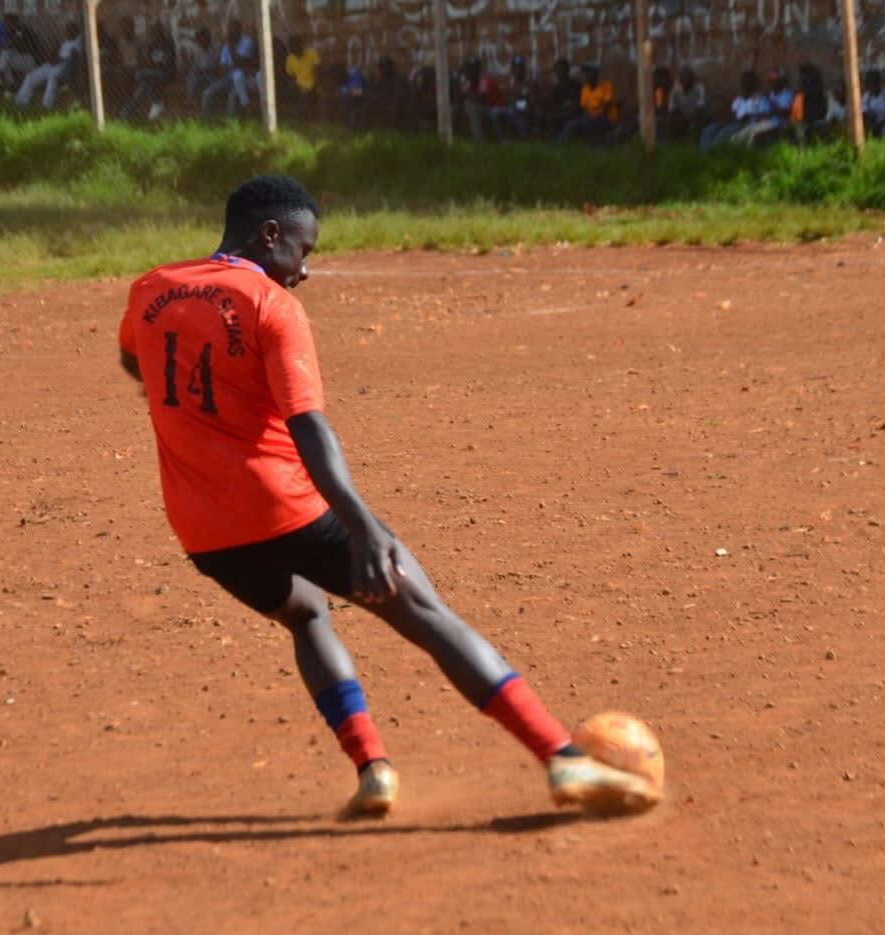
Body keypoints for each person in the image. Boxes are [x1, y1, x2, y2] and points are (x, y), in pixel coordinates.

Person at [116, 174, 661, 819]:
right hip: (284, 507)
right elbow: (310, 429)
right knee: (427, 613)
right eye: (303, 249)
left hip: (206, 533)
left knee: (306, 614)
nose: (307, 269)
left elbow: (135, 362)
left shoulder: (151, 289)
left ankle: (373, 769)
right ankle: (560, 757)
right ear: (270, 235)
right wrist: (364, 527)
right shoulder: (270, 305)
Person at [13, 18, 81, 109]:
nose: (67, 32)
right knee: (30, 77)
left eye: (70, 29)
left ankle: (47, 105)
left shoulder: (77, 43)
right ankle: (21, 102)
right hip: (52, 64)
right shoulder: (65, 41)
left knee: (52, 77)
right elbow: (54, 54)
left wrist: (57, 60)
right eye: (67, 30)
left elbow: (72, 59)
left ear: (75, 30)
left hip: (64, 67)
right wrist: (54, 52)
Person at [119, 15, 176, 122]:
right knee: (143, 87)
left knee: (139, 75)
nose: (155, 33)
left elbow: (166, 62)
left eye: (157, 30)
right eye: (153, 31)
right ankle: (127, 113)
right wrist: (155, 62)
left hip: (166, 74)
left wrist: (154, 63)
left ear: (161, 31)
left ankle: (154, 104)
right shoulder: (152, 45)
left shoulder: (168, 43)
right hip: (153, 73)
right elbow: (148, 61)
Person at [699, 69, 770, 149]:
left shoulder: (760, 98)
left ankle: (714, 154)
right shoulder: (739, 99)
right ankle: (704, 154)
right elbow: (732, 113)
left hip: (746, 123)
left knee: (723, 133)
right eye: (744, 81)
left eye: (749, 81)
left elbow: (764, 115)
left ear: (754, 84)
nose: (745, 84)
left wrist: (749, 116)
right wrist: (724, 121)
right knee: (707, 130)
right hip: (733, 121)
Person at [558, 64, 616, 144]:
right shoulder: (585, 89)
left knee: (588, 123)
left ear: (595, 74)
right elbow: (584, 108)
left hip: (606, 119)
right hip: (589, 118)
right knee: (571, 124)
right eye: (585, 74)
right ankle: (559, 145)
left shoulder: (606, 86)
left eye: (589, 73)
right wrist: (587, 116)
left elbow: (606, 108)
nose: (586, 76)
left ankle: (597, 147)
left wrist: (592, 116)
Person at [0, 12, 40, 92]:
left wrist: (6, 47)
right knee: (5, 58)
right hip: (21, 59)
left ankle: (0, 73)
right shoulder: (11, 32)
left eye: (8, 23)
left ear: (14, 22)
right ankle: (10, 84)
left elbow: (12, 44)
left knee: (5, 55)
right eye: (5, 23)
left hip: (30, 61)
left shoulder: (21, 30)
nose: (6, 25)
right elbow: (6, 47)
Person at [666, 66, 707, 140]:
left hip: (695, 113)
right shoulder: (676, 90)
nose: (685, 84)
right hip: (681, 115)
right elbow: (671, 108)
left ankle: (697, 137)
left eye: (687, 81)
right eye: (683, 82)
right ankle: (676, 138)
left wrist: (694, 114)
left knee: (702, 116)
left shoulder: (699, 88)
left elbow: (701, 105)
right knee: (672, 118)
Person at [283, 33, 318, 116]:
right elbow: (290, 75)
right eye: (291, 48)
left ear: (301, 46)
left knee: (307, 96)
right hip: (298, 85)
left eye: (296, 47)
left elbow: (318, 71)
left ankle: (308, 116)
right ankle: (295, 116)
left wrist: (316, 85)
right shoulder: (290, 58)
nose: (294, 50)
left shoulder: (311, 54)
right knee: (289, 92)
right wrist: (293, 84)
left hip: (312, 84)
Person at [184, 25, 215, 107]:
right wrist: (189, 62)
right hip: (199, 73)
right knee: (193, 73)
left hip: (212, 74)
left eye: (202, 38)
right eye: (199, 39)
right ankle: (190, 98)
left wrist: (208, 69)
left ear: (208, 38)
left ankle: (191, 98)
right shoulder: (196, 48)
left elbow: (219, 65)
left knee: (195, 75)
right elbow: (191, 63)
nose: (200, 41)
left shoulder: (216, 47)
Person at [862, 69, 885, 137]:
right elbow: (864, 114)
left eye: (874, 82)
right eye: (869, 83)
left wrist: (881, 125)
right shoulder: (866, 97)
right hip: (874, 125)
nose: (872, 85)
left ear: (879, 82)